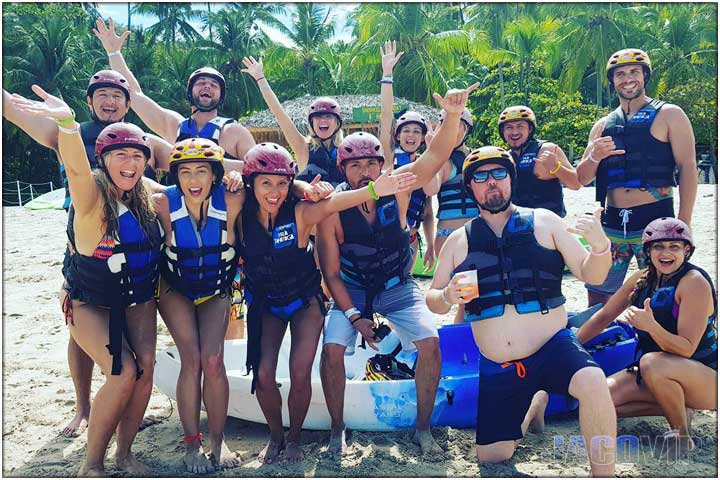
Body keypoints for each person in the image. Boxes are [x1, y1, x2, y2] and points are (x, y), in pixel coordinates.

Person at [426, 146, 616, 476]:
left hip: (552, 347)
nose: (491, 183)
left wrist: (600, 247)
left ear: (511, 179)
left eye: (499, 174)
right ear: (470, 186)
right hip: (500, 364)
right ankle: (535, 405)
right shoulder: (458, 241)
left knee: (593, 381)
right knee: (492, 458)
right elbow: (432, 299)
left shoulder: (546, 222)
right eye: (481, 177)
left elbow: (593, 274)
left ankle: (605, 473)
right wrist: (447, 295)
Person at [3, 70, 171, 438]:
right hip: (85, 237)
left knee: (122, 315)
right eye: (102, 95)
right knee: (82, 323)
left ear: (129, 104)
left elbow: (193, 163)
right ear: (89, 101)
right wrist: (63, 121)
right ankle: (83, 407)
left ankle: (119, 400)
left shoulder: (144, 143)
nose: (109, 101)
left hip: (130, 231)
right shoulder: (67, 132)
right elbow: (14, 111)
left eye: (117, 95)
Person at [317, 83, 479, 457]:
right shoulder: (333, 208)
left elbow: (435, 155)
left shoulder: (397, 188)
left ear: (381, 164)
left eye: (371, 163)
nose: (364, 171)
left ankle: (424, 429)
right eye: (354, 165)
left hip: (397, 286)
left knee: (430, 342)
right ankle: (337, 428)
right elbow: (331, 274)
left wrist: (452, 116)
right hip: (352, 289)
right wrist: (356, 318)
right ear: (343, 169)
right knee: (332, 351)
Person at [240, 143, 416, 464]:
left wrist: (375, 189)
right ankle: (276, 436)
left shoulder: (301, 212)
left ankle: (294, 439)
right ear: (250, 184)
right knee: (263, 375)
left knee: (300, 371)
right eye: (266, 183)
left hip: (305, 301)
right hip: (265, 303)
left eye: (282, 184)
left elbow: (336, 201)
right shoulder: (238, 211)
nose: (274, 192)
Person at [576, 217, 717, 458]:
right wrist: (571, 348)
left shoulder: (694, 283)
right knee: (598, 399)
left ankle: (682, 436)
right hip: (657, 372)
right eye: (659, 247)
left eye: (674, 247)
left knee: (652, 362)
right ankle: (680, 407)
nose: (666, 253)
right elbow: (603, 317)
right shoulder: (642, 278)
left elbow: (686, 349)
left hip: (706, 378)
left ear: (687, 251)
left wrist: (651, 326)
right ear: (648, 251)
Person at [153, 138, 249, 473]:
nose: (193, 180)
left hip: (216, 288)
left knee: (213, 358)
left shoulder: (235, 198)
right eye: (186, 172)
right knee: (191, 359)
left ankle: (218, 443)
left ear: (216, 175)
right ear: (176, 176)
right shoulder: (162, 203)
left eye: (202, 171)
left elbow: (277, 181)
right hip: (175, 289)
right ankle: (192, 444)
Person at [576, 48, 698, 306]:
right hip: (611, 223)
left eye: (634, 72)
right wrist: (594, 156)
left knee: (662, 292)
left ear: (645, 76)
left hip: (654, 220)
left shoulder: (669, 115)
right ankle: (601, 342)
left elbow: (687, 167)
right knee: (598, 292)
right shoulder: (602, 124)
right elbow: (581, 178)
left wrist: (684, 222)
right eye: (620, 74)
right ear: (612, 81)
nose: (627, 78)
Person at [93, 17, 255, 161]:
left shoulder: (236, 132)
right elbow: (134, 94)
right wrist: (114, 53)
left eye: (214, 85)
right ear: (190, 92)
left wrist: (231, 172)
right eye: (201, 83)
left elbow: (259, 171)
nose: (207, 86)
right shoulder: (175, 126)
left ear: (221, 96)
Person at [241, 56, 346, 186]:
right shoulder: (302, 146)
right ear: (311, 123)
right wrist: (260, 78)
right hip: (310, 206)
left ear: (337, 123)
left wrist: (380, 81)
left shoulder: (347, 150)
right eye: (318, 117)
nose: (323, 120)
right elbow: (278, 112)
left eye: (329, 117)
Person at [378, 40, 436, 272]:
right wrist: (387, 74)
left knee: (404, 285)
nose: (411, 136)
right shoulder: (390, 158)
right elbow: (385, 114)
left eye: (416, 132)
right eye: (406, 131)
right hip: (387, 239)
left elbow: (428, 210)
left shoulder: (425, 165)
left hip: (412, 238)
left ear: (423, 138)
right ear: (398, 135)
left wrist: (430, 243)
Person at [498, 105, 581, 217]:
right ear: (502, 131)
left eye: (520, 126)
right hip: (519, 224)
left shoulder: (547, 149)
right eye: (509, 127)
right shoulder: (506, 157)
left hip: (549, 224)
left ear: (530, 129)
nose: (514, 132)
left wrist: (556, 167)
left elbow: (576, 184)